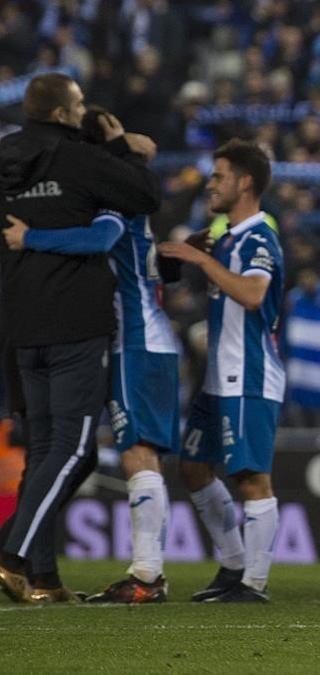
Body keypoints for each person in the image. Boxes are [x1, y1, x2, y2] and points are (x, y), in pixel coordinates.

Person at [2, 106, 180, 604]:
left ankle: (147, 576)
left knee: (130, 452)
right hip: (140, 335)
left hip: (133, 336)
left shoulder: (107, 196)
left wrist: (28, 236)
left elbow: (102, 236)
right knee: (80, 456)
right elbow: (145, 151)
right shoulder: (127, 188)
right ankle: (46, 572)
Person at [158, 139, 285, 603]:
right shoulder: (227, 237)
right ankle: (233, 565)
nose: (210, 184)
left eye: (218, 176)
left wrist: (201, 260)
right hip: (219, 379)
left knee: (251, 479)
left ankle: (254, 582)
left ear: (245, 182)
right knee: (192, 468)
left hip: (248, 376)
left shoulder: (258, 237)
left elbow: (253, 295)